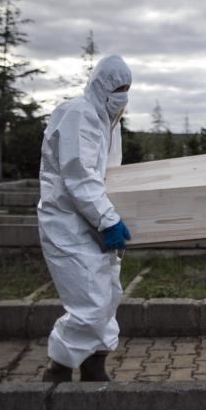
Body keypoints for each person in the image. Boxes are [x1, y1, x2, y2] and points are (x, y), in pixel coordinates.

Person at [38, 54, 132, 383]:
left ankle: (95, 368)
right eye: (118, 87)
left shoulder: (108, 119)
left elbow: (111, 174)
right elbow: (79, 176)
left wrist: (114, 214)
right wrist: (108, 220)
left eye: (128, 88)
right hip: (68, 224)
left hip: (92, 221)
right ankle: (58, 373)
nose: (123, 94)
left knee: (107, 296)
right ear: (102, 85)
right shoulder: (77, 113)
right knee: (89, 302)